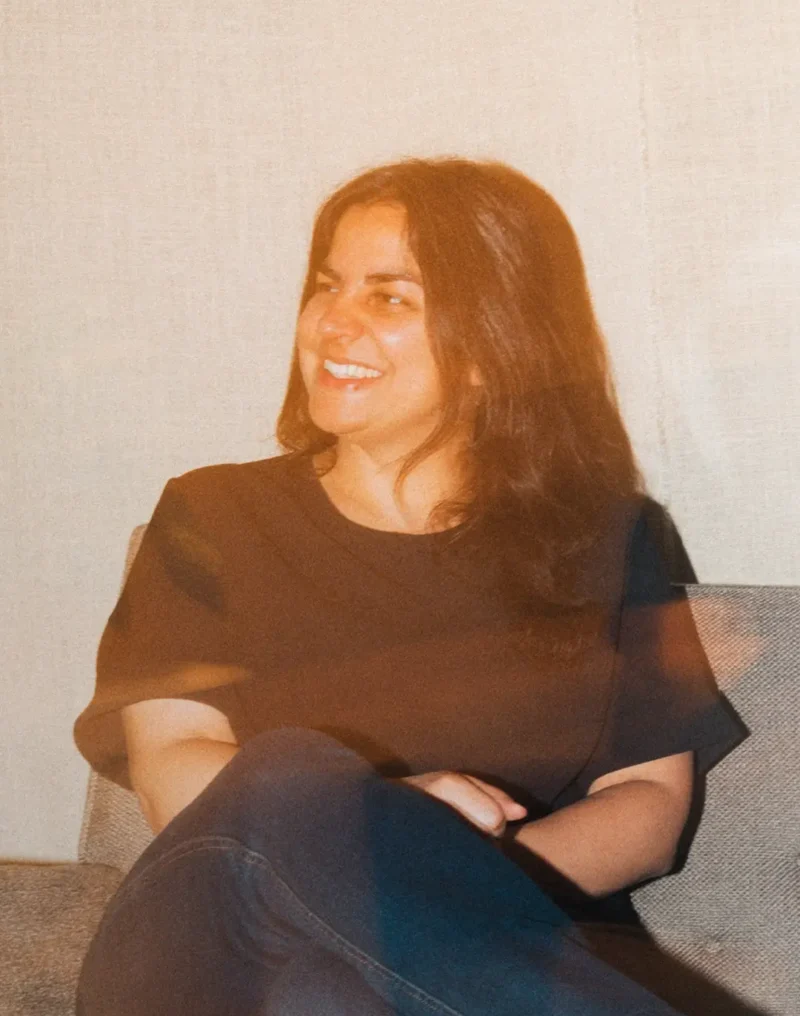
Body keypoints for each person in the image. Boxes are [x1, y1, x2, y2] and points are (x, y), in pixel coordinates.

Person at [74, 157, 749, 1016]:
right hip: (218, 948)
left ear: (492, 344)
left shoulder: (607, 539)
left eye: (387, 297)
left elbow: (649, 804)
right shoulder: (212, 515)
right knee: (285, 776)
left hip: (468, 969)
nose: (331, 323)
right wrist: (377, 830)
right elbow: (170, 769)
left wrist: (426, 879)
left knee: (332, 993)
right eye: (326, 287)